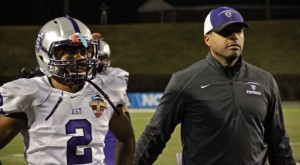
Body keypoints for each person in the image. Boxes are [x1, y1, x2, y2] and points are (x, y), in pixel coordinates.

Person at [133, 6, 296, 165]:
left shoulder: (265, 81)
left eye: (239, 31)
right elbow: (154, 136)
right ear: (207, 39)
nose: (234, 36)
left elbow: (279, 142)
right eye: (226, 31)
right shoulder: (185, 81)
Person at [0, 16, 135, 165]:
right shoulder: (31, 95)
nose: (81, 58)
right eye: (70, 52)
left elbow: (126, 137)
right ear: (46, 55)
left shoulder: (102, 90)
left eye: (83, 51)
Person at [92, 33, 131, 165]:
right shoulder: (77, 77)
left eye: (103, 58)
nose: (100, 62)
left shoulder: (116, 75)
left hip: (109, 127)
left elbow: (123, 108)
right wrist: (86, 43)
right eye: (97, 58)